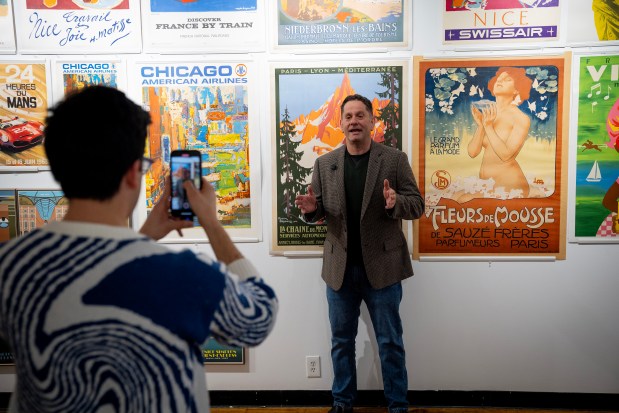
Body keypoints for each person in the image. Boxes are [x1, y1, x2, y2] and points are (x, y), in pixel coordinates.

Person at [0, 86, 278, 412]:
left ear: (58, 166)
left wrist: (145, 235)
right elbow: (259, 315)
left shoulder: (11, 265)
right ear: (134, 173)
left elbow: (99, 266)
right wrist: (212, 224)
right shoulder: (183, 275)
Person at [295, 94, 424, 413]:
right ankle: (342, 403)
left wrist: (396, 202)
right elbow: (321, 210)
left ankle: (398, 405)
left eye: (360, 115)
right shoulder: (325, 164)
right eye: (348, 116)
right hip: (340, 270)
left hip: (383, 267)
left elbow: (417, 205)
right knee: (340, 343)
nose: (354, 121)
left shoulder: (394, 160)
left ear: (371, 121)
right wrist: (312, 211)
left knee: (390, 343)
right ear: (340, 124)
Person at [462, 67, 533, 202]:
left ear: (516, 89)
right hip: (488, 184)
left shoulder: (520, 118)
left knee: (462, 200)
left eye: (507, 79)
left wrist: (488, 127)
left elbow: (505, 155)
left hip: (510, 184)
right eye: (499, 78)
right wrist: (481, 125)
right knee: (456, 198)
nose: (500, 81)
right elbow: (472, 152)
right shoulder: (488, 111)